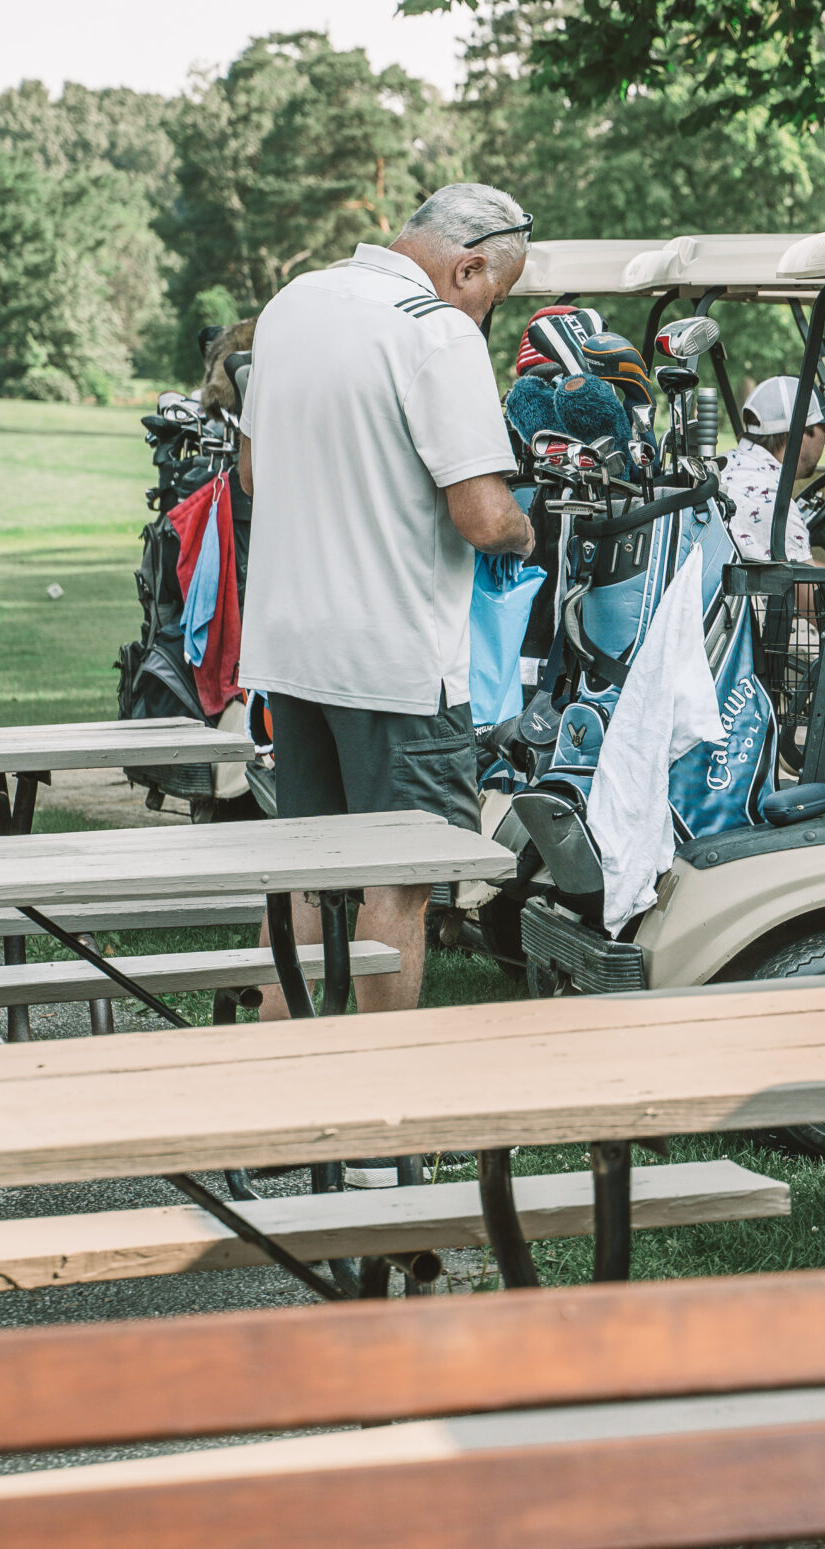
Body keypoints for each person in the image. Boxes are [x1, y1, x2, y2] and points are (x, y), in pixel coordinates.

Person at [238, 183, 536, 1022]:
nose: (488, 315)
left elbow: (252, 474)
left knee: (308, 870)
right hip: (396, 663)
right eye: (495, 296)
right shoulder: (436, 331)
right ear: (467, 266)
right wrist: (526, 532)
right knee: (399, 881)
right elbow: (482, 516)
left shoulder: (293, 303)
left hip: (291, 647)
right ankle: (383, 1085)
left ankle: (269, 1068)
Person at [720, 374, 825, 566]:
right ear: (801, 432)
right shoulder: (774, 505)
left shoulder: (734, 465)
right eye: (823, 428)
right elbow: (806, 583)